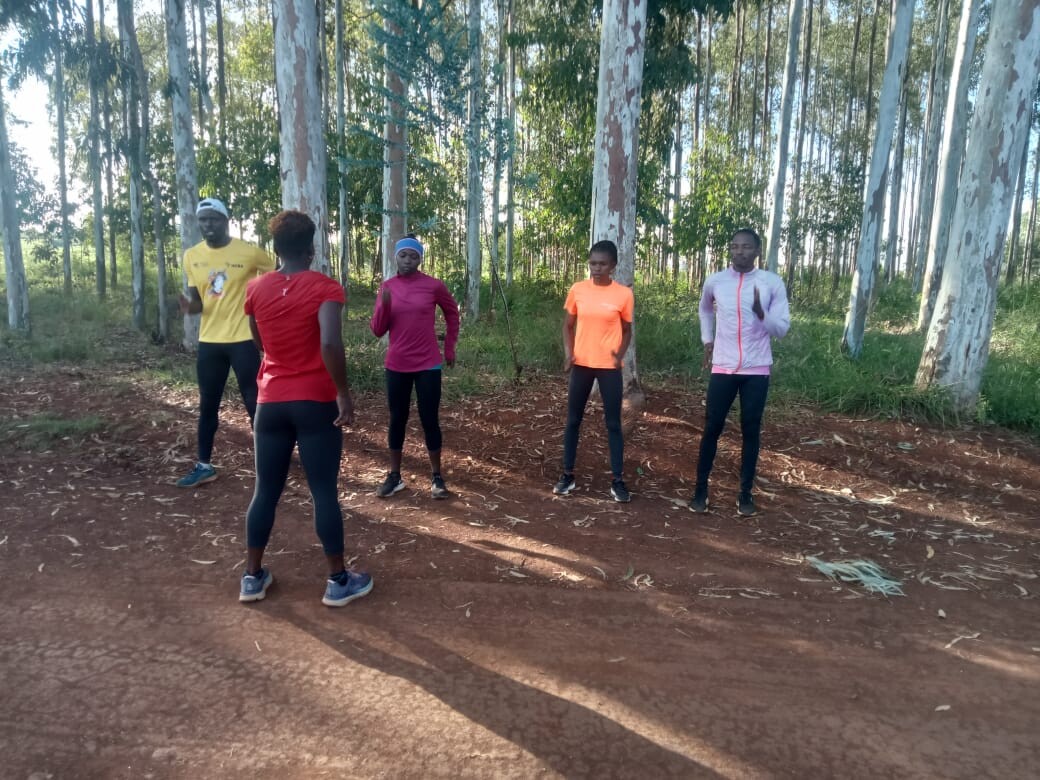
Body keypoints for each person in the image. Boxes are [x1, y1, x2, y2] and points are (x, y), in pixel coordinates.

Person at [238, 209, 372, 607]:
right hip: (314, 400)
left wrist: (278, 361)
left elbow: (258, 340)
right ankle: (338, 581)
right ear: (310, 249)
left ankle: (251, 576)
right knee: (323, 490)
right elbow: (329, 343)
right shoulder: (324, 288)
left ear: (276, 248)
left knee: (265, 491)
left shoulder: (256, 288)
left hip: (270, 401)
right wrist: (343, 393)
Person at [689, 228, 790, 517]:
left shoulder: (771, 283)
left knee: (750, 429)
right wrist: (707, 340)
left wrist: (761, 313)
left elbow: (781, 329)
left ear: (757, 251)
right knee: (712, 427)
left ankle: (745, 493)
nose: (739, 252)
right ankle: (700, 490)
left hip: (756, 370)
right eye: (734, 246)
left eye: (746, 247)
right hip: (723, 366)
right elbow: (705, 310)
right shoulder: (716, 281)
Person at [177, 197, 275, 488]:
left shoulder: (249, 253)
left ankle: (271, 460)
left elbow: (275, 278)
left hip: (243, 340)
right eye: (203, 219)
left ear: (225, 220)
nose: (208, 224)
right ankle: (204, 465)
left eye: (213, 219)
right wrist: (189, 307)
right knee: (208, 405)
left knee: (254, 402)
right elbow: (198, 302)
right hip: (209, 342)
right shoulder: (191, 256)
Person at [370, 234, 460, 499]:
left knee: (429, 418)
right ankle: (394, 476)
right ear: (395, 257)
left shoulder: (433, 286)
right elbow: (377, 330)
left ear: (420, 259)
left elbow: (452, 312)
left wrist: (450, 347)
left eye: (413, 256)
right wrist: (385, 306)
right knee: (397, 418)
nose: (408, 260)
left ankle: (437, 477)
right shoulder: (387, 287)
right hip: (397, 364)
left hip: (427, 364)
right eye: (403, 255)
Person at [553, 239, 634, 503]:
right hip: (582, 365)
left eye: (602, 264)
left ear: (613, 265)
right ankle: (567, 475)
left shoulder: (623, 294)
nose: (596, 268)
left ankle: (618, 480)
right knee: (573, 420)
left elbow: (627, 331)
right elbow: (567, 325)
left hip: (609, 368)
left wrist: (619, 356)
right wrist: (569, 353)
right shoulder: (578, 290)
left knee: (613, 423)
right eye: (593, 263)